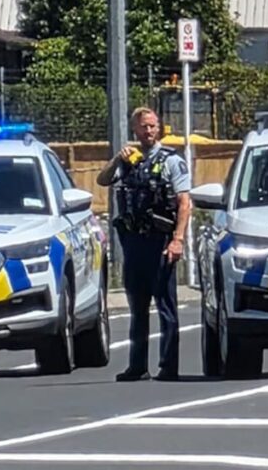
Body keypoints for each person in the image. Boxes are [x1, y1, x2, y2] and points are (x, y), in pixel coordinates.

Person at [97, 107, 192, 382]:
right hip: (134, 243)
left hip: (161, 241)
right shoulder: (129, 161)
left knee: (166, 306)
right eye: (143, 127)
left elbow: (185, 202)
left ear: (159, 127)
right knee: (137, 307)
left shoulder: (172, 161)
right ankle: (137, 365)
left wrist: (178, 239)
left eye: (152, 126)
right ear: (135, 130)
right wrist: (118, 158)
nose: (148, 131)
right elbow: (102, 181)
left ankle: (169, 366)